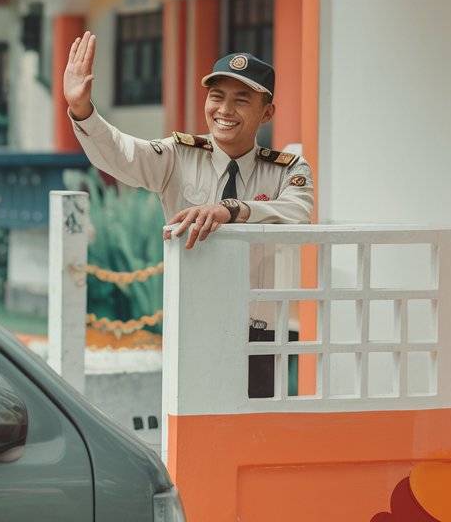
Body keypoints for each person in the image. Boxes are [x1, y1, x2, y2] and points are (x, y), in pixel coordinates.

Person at [62, 30, 314, 396]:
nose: (225, 110)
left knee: (255, 430)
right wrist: (83, 110)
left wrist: (233, 210)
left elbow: (297, 212)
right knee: (191, 427)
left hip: (259, 328)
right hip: (191, 320)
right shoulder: (179, 155)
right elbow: (122, 155)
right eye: (217, 97)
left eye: (242, 100)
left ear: (267, 112)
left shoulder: (286, 169)